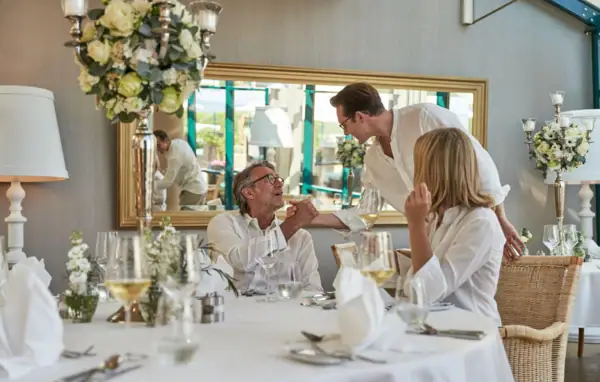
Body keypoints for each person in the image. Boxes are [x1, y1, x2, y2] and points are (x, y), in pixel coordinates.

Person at [288, 83, 522, 260]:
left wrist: (500, 219)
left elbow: (480, 165)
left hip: (469, 229)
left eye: (344, 125)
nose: (345, 133)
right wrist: (312, 217)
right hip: (432, 241)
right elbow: (364, 214)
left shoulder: (425, 117)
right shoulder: (372, 159)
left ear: (360, 117)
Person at [404, 127, 505, 324]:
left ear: (433, 170)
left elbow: (428, 293)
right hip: (436, 326)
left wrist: (415, 225)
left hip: (471, 333)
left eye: (419, 165)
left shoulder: (480, 222)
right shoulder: (435, 218)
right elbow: (413, 289)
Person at [207, 161, 323, 292]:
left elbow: (314, 290)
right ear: (249, 193)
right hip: (237, 310)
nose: (279, 183)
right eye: (270, 179)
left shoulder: (301, 237)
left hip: (286, 310)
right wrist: (292, 224)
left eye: (279, 179)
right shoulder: (223, 223)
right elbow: (239, 261)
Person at [154, 130, 208, 208]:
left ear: (166, 140)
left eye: (158, 145)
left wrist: (149, 186)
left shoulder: (174, 157)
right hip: (200, 188)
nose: (157, 149)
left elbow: (167, 182)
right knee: (195, 219)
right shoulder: (178, 143)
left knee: (185, 219)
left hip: (193, 191)